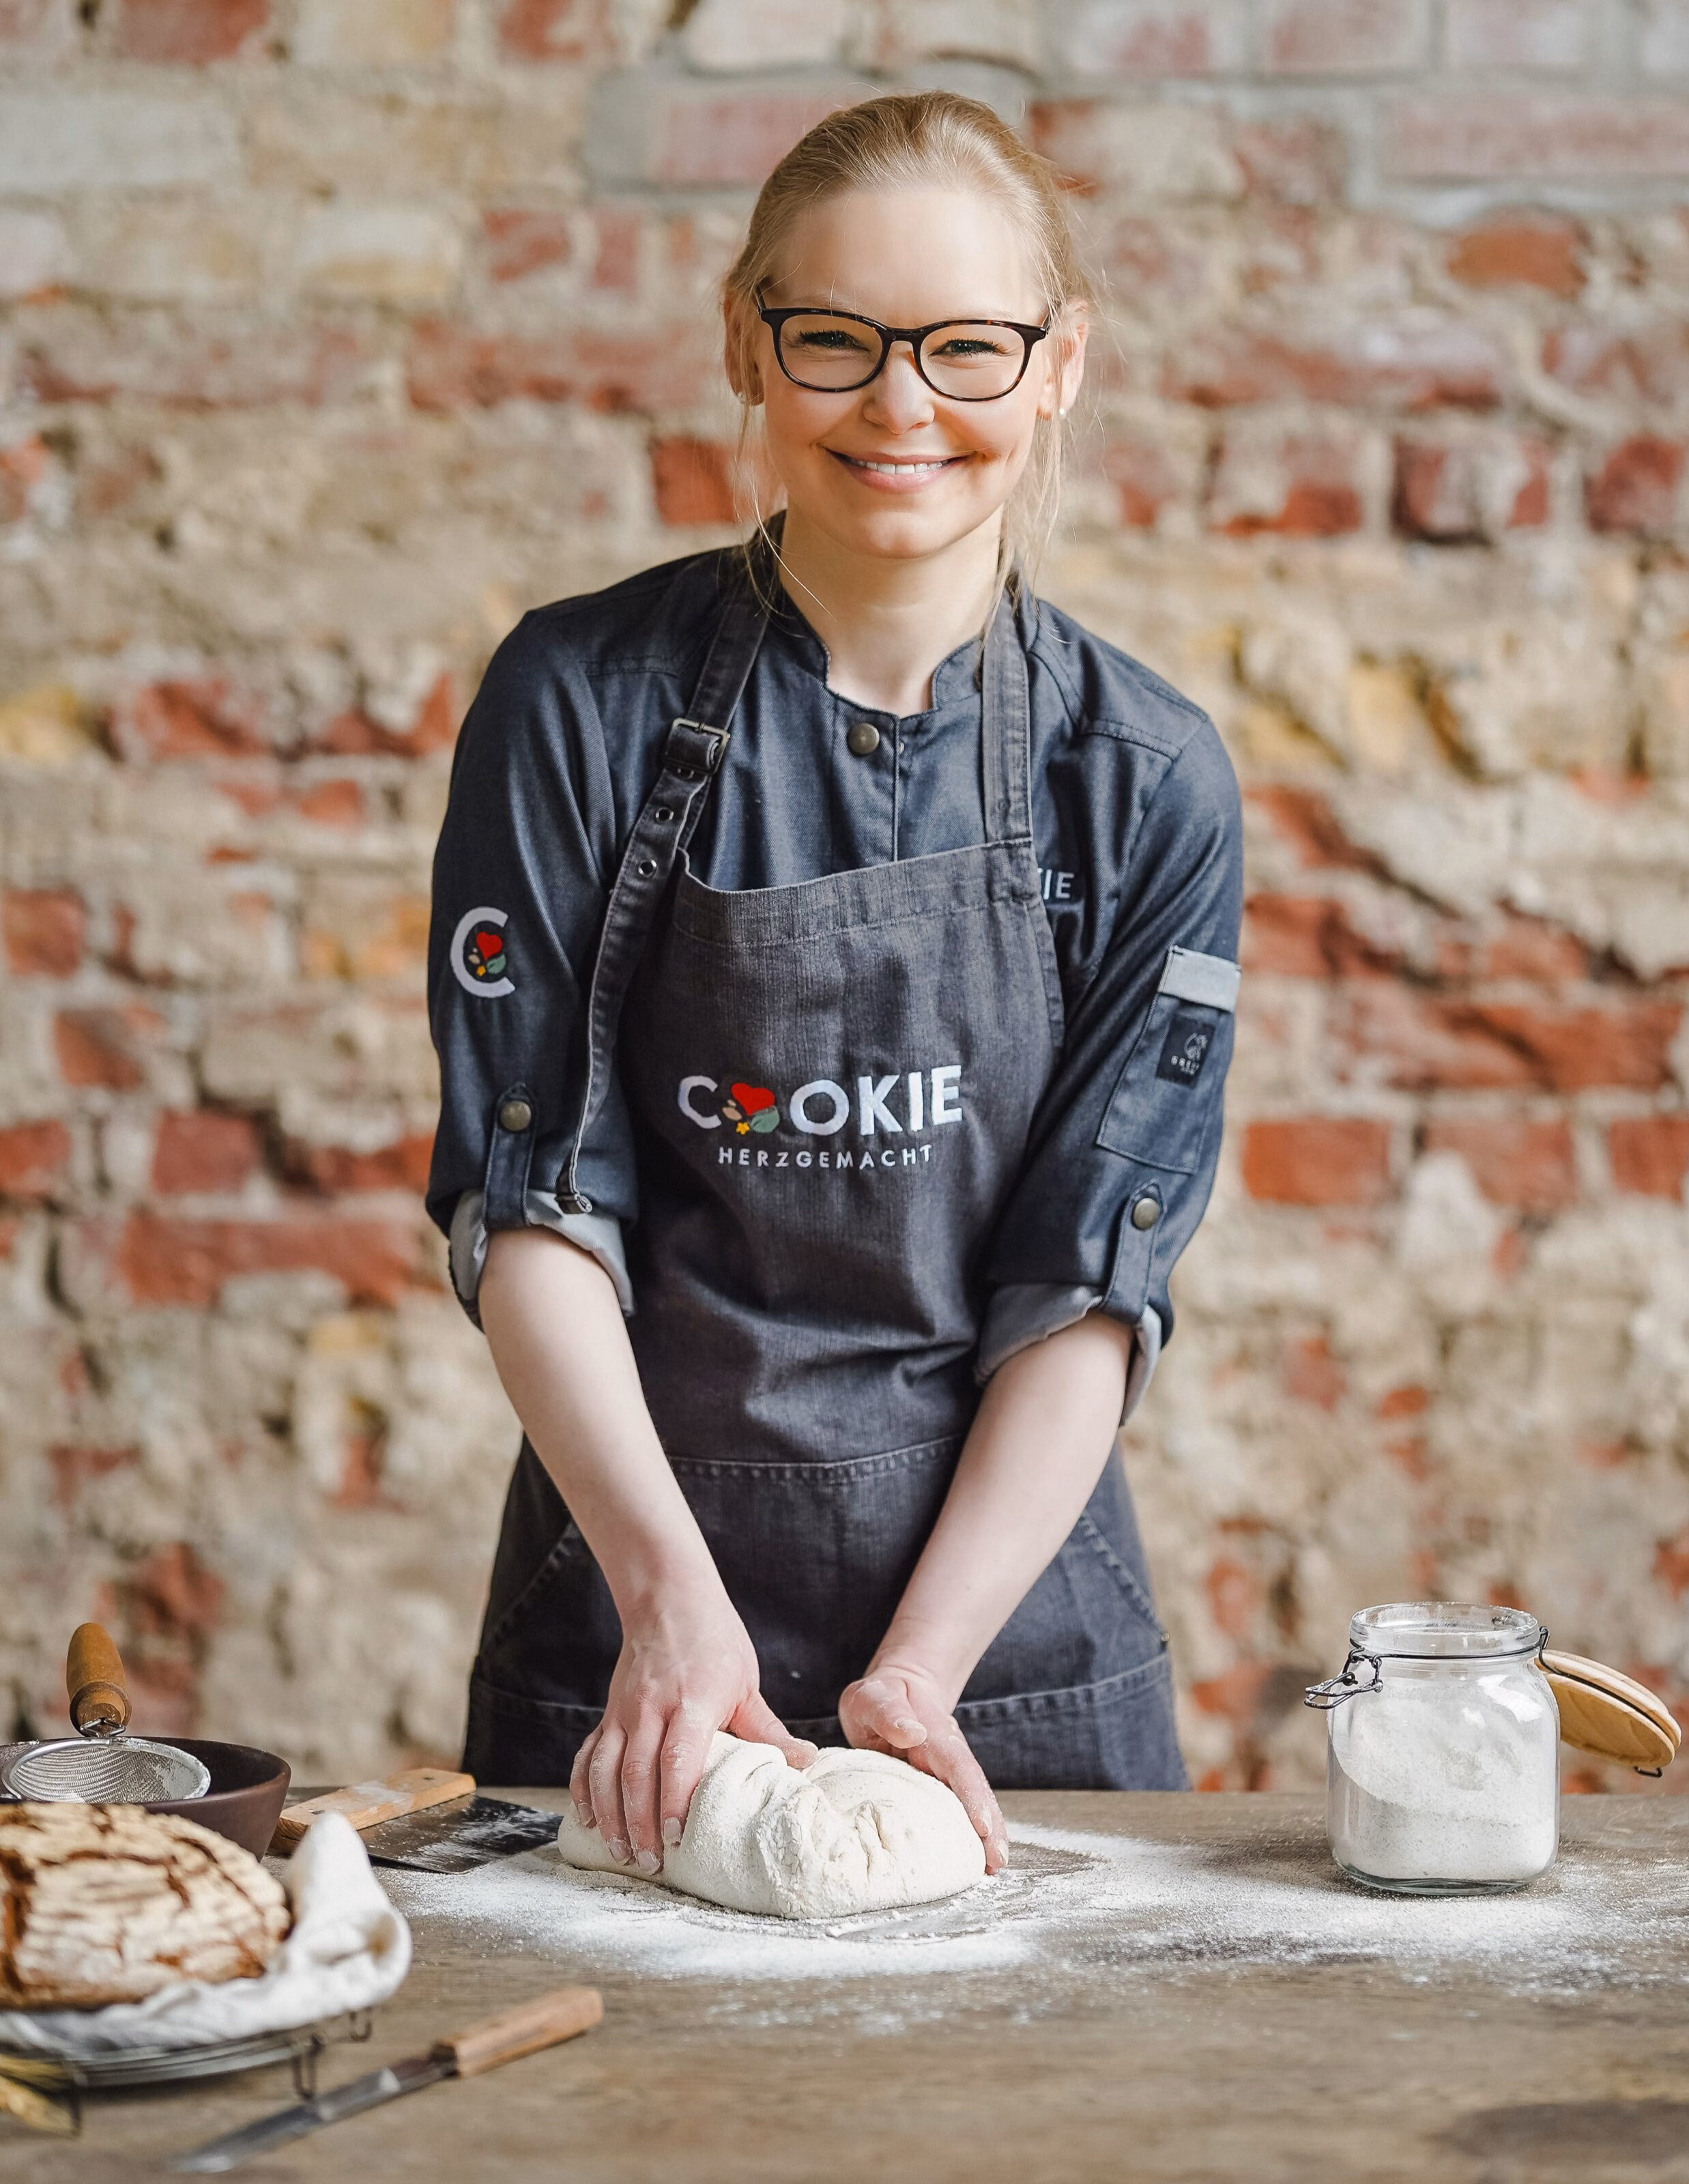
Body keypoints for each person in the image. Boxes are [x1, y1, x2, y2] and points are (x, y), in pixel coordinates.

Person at [426, 91, 1242, 1881]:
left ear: (1059, 366)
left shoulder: (1148, 776)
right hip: (632, 1624)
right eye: (837, 339)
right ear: (748, 342)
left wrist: (919, 1674)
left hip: (1013, 1662)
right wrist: (670, 1601)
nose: (900, 404)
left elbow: (1086, 1287)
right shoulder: (575, 705)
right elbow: (534, 1200)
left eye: (967, 346)